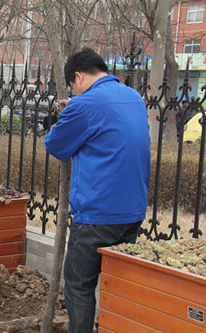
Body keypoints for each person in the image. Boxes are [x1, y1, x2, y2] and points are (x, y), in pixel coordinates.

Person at [44, 48, 150, 333]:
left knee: (79, 285)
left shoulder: (85, 104)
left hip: (97, 216)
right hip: (133, 212)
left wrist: (72, 110)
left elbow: (56, 145)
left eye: (73, 85)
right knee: (117, 285)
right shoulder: (134, 97)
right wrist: (77, 108)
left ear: (78, 76)